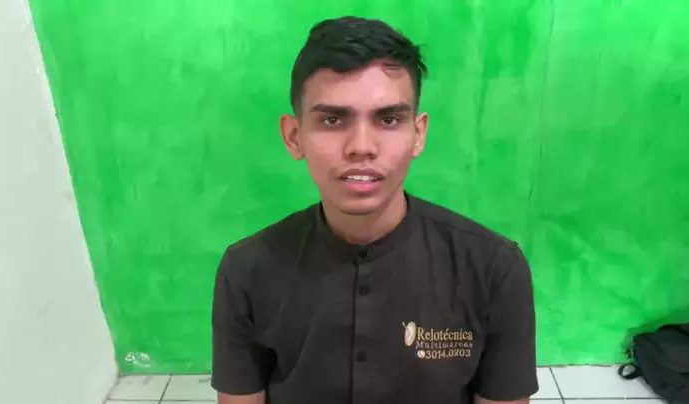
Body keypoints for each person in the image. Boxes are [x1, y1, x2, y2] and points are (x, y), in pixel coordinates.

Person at [211, 16, 538, 404]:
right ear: (294, 136)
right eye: (333, 119)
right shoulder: (246, 271)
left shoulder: (493, 269)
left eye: (389, 119)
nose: (361, 147)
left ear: (418, 134)